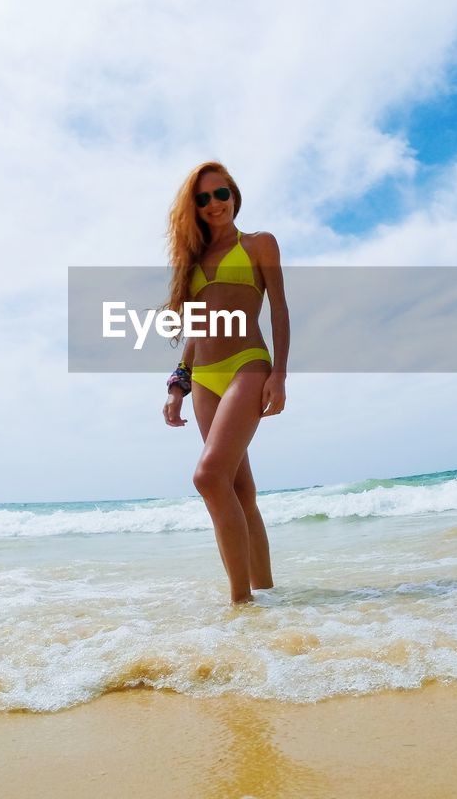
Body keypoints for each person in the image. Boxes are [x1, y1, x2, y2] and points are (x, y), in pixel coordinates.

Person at [162, 161, 289, 604]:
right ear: (194, 209)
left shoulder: (259, 244)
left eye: (221, 194)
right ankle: (267, 594)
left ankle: (241, 605)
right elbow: (196, 331)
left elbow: (279, 311)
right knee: (238, 488)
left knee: (208, 476)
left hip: (248, 365)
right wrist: (179, 384)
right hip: (204, 379)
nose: (214, 204)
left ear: (234, 195)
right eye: (203, 199)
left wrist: (279, 375)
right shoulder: (192, 261)